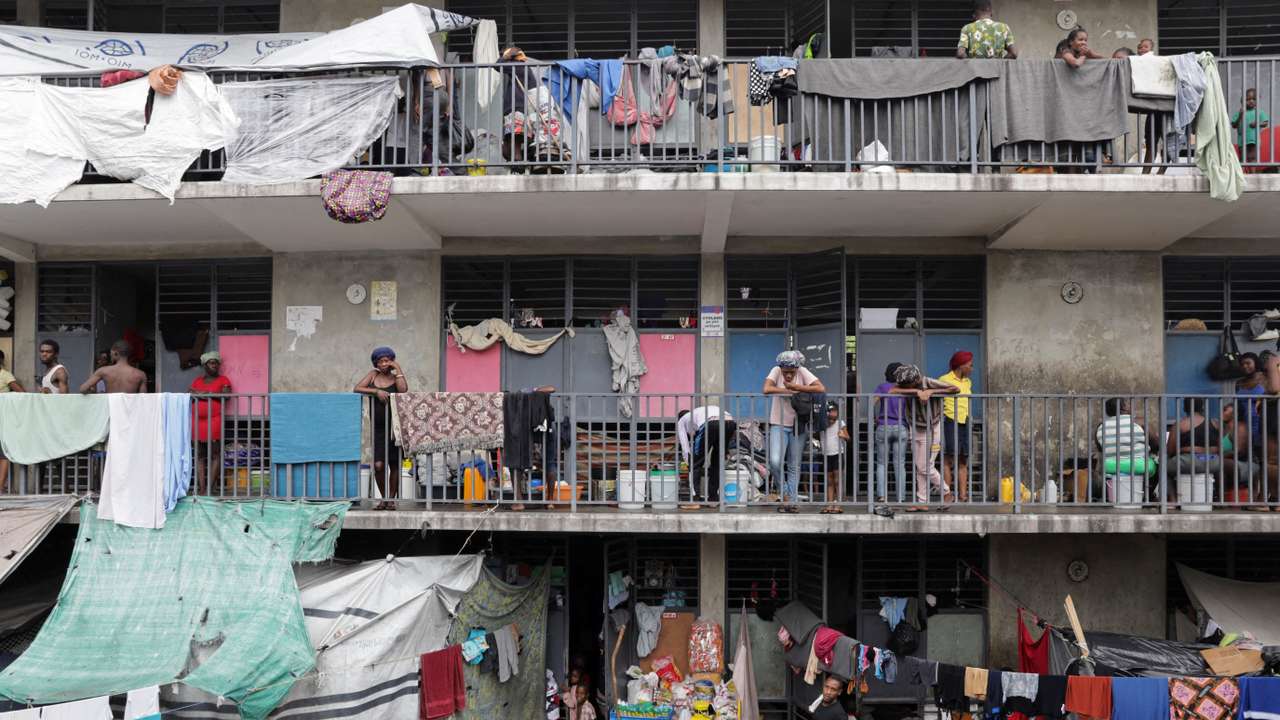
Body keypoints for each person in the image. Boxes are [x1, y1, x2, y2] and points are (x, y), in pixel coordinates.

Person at [889, 364, 960, 512]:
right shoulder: (908, 386)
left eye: (906, 385)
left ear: (914, 379)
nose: (903, 386)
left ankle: (947, 492)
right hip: (915, 428)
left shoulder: (928, 382)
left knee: (926, 466)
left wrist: (931, 391)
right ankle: (922, 501)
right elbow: (892, 390)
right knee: (919, 466)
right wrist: (917, 392)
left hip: (932, 429)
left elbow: (955, 389)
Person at [763, 350, 825, 513]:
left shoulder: (802, 371)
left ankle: (792, 501)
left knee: (794, 465)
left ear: (797, 368)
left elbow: (820, 387)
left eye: (792, 372)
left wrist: (797, 387)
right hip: (778, 423)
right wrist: (789, 391)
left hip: (799, 424)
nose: (788, 375)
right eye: (786, 372)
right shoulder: (776, 371)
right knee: (775, 461)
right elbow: (766, 389)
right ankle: (785, 494)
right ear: (781, 369)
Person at [354, 346, 408, 510]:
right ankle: (383, 498)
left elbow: (403, 390)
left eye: (387, 360)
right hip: (378, 429)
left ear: (391, 361)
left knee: (395, 464)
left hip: (395, 428)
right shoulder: (373, 375)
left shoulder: (395, 377)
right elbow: (357, 388)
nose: (384, 363)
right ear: (376, 363)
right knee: (378, 465)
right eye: (381, 361)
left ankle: (391, 500)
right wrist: (376, 391)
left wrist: (398, 369)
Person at [190, 351, 233, 496]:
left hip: (214, 419)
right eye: (211, 363)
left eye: (216, 363)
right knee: (200, 454)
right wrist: (208, 395)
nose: (215, 365)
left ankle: (210, 488)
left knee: (215, 453)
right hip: (197, 421)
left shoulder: (223, 379)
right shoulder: (197, 381)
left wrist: (203, 394)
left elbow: (226, 395)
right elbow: (190, 392)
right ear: (204, 365)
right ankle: (202, 488)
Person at [1096, 398, 1153, 504]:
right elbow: (1157, 443)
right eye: (1128, 403)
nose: (1131, 406)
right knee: (1157, 464)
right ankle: (1147, 496)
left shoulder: (1101, 427)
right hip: (1138, 465)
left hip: (1111, 466)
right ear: (1124, 408)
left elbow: (1101, 449)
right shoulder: (1139, 422)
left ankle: (1113, 497)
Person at [676, 405, 735, 505]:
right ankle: (713, 498)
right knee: (717, 462)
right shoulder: (697, 413)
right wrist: (725, 451)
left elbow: (685, 447)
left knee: (696, 463)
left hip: (711, 423)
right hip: (730, 422)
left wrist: (689, 462)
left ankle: (695, 498)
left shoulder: (682, 421)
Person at [939, 351, 975, 503]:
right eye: (970, 365)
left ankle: (963, 495)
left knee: (963, 459)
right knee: (948, 459)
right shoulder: (944, 379)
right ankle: (947, 495)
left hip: (964, 421)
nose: (972, 368)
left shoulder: (968, 382)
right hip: (950, 420)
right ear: (961, 365)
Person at [872, 362, 908, 504]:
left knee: (881, 463)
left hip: (883, 426)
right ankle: (901, 497)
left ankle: (882, 496)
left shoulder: (882, 387)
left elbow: (872, 402)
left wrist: (874, 417)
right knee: (900, 464)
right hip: (901, 426)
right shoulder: (905, 388)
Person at [79, 339, 147, 394]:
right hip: (130, 409)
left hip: (110, 408)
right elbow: (143, 399)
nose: (110, 356)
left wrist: (97, 394)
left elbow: (83, 389)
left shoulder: (103, 371)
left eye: (111, 353)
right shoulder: (140, 374)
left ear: (116, 353)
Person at [0, 349, 24, 494]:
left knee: (3, 453)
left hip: (3, 420)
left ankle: (0, 486)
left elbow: (21, 393)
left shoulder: (5, 375)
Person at [819, 400, 849, 514]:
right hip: (826, 454)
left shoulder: (840, 423)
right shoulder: (822, 423)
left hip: (837, 453)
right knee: (829, 481)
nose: (832, 414)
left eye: (834, 411)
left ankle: (838, 504)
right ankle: (829, 504)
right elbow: (815, 433)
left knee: (837, 480)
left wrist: (843, 435)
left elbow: (848, 437)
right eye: (830, 411)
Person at [1231, 88, 1269, 165]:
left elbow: (1265, 123)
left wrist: (1257, 124)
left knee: (1253, 159)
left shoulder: (1259, 112)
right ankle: (1243, 175)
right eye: (1248, 99)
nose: (1251, 101)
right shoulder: (1240, 112)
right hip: (1242, 141)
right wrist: (1240, 116)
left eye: (1254, 99)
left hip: (1254, 141)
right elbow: (1234, 125)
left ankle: (1253, 175)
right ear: (1243, 101)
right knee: (1242, 160)